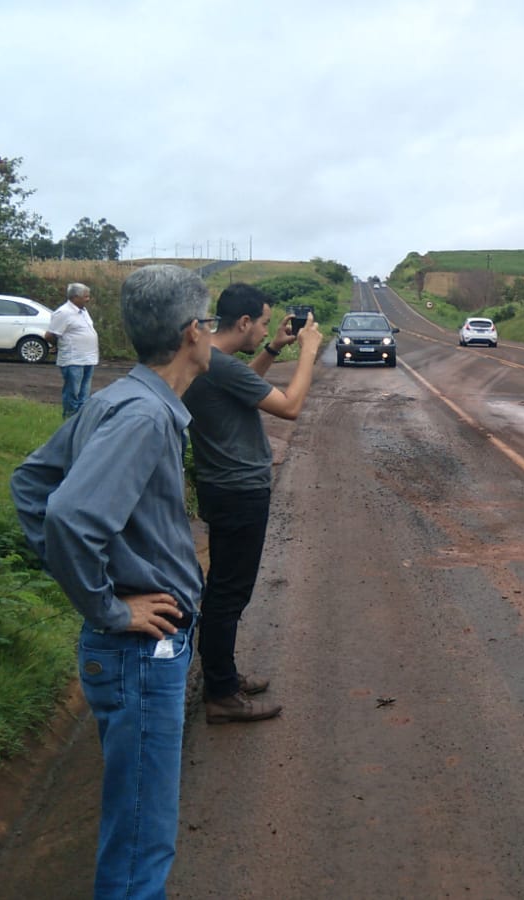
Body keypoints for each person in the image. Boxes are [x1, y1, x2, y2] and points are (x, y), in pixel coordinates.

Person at [10, 265, 214, 899]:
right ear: (190, 334)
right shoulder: (143, 417)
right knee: (138, 838)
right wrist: (110, 607)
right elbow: (70, 514)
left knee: (136, 824)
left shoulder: (120, 398)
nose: (209, 335)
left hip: (130, 655)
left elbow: (31, 484)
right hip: (137, 655)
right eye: (207, 324)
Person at [182, 283, 322, 724]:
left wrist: (275, 349)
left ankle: (223, 676)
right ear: (243, 322)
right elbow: (290, 406)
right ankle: (221, 694)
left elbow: (247, 386)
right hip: (238, 491)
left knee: (224, 587)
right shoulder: (219, 365)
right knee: (228, 592)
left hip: (222, 487)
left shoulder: (211, 361)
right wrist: (307, 353)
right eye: (263, 323)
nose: (265, 329)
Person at [46, 282, 101, 418]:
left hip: (88, 358)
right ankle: (70, 419)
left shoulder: (83, 311)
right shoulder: (63, 313)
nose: (88, 299)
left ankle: (81, 420)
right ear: (75, 297)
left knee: (84, 393)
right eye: (85, 296)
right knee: (73, 392)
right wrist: (58, 345)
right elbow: (50, 335)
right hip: (73, 359)